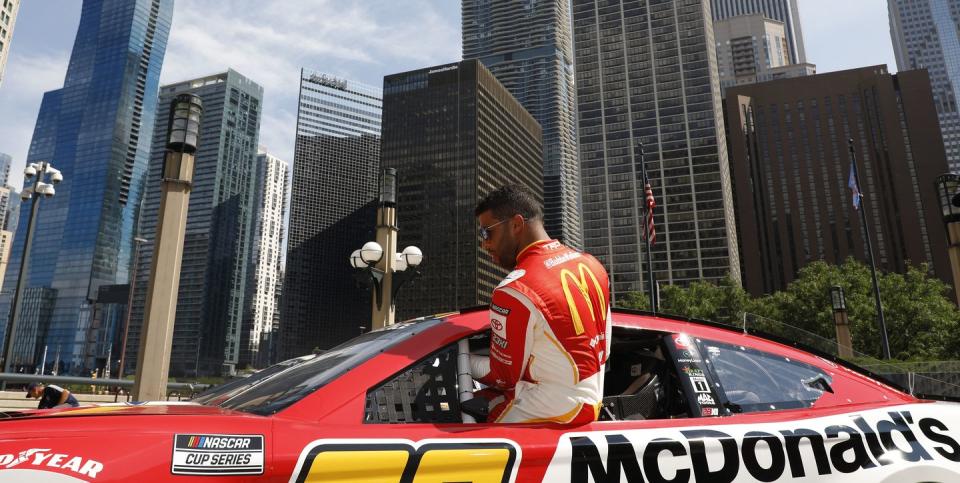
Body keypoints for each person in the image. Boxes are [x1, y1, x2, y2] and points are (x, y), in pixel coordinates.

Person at [470, 184, 611, 424]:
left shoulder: (514, 290)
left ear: (516, 225)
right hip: (592, 400)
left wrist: (459, 360)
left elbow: (503, 377)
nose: (484, 244)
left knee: (453, 425)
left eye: (486, 233)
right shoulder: (592, 264)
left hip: (551, 410)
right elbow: (603, 349)